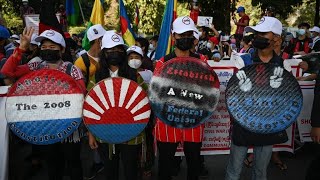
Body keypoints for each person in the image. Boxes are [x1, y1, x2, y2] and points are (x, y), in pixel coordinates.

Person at [1, 27, 85, 180]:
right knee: (53, 166)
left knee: (73, 164)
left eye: (52, 47)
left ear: (62, 49)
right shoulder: (35, 67)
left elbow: (81, 96)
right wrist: (21, 49)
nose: (47, 50)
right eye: (44, 47)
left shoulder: (72, 70)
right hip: (46, 126)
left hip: (70, 127)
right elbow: (7, 72)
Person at [225, 17, 289, 180]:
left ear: (276, 37)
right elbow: (233, 92)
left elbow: (285, 97)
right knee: (234, 171)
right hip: (243, 123)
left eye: (263, 33)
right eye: (256, 33)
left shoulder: (282, 65)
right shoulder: (242, 60)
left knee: (260, 173)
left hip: (267, 125)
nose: (258, 37)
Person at [154, 16, 207, 180]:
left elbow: (208, 90)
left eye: (188, 35)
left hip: (194, 120)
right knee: (165, 167)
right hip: (167, 121)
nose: (185, 38)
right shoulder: (162, 63)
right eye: (181, 35)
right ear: (173, 36)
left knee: (193, 166)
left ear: (193, 37)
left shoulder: (202, 61)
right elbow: (157, 94)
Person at [88, 31, 142, 180]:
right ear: (104, 53)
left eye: (119, 49)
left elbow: (145, 103)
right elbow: (89, 107)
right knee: (110, 172)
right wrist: (91, 134)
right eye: (110, 50)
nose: (115, 53)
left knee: (131, 171)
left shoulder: (134, 75)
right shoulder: (96, 76)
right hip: (104, 133)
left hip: (132, 133)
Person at [74, 24, 106, 180]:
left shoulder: (107, 57)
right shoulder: (81, 62)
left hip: (106, 103)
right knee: (92, 134)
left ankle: (102, 161)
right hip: (89, 104)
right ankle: (96, 163)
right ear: (99, 40)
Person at [127, 45, 154, 177]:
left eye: (136, 57)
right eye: (130, 57)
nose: (133, 60)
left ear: (142, 59)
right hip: (131, 115)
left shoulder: (149, 74)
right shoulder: (124, 74)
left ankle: (147, 167)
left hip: (147, 113)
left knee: (147, 141)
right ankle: (135, 167)